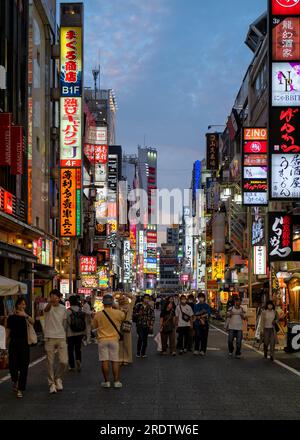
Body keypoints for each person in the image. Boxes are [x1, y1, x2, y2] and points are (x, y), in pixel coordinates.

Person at [92, 294, 125, 389]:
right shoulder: (118, 313)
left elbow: (94, 326)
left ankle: (107, 382)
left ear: (103, 303)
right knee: (115, 361)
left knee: (104, 361)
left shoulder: (98, 314)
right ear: (112, 303)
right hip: (114, 340)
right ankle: (116, 381)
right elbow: (124, 317)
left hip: (102, 340)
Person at [6, 297, 33, 399]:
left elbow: (33, 322)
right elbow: (8, 330)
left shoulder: (26, 316)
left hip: (25, 343)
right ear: (17, 305)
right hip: (13, 343)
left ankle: (20, 388)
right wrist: (4, 343)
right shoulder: (11, 317)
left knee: (24, 366)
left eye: (24, 304)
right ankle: (15, 380)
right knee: (13, 365)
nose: (23, 306)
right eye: (21, 304)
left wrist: (25, 315)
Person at [44, 289, 68, 394]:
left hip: (61, 336)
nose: (54, 298)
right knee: (50, 362)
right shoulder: (48, 306)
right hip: (49, 337)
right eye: (51, 296)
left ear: (59, 298)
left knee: (64, 361)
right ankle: (51, 383)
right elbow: (46, 310)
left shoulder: (63, 308)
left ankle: (58, 378)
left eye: (56, 297)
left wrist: (66, 335)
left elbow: (64, 323)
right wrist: (50, 302)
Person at [66, 296, 86, 372]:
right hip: (80, 333)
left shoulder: (68, 311)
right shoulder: (80, 310)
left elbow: (66, 323)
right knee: (78, 349)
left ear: (70, 302)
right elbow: (84, 322)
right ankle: (78, 360)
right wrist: (84, 333)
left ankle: (72, 366)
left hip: (70, 333)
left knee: (70, 350)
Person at [133, 294, 155, 358]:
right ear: (143, 298)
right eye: (145, 298)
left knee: (145, 339)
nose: (146, 299)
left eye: (148, 298)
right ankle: (138, 352)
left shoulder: (150, 307)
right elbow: (133, 314)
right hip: (139, 324)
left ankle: (143, 353)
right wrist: (138, 314)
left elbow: (152, 316)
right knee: (140, 338)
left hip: (147, 325)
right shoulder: (138, 305)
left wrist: (151, 324)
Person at [118, 293, 136, 365]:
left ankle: (124, 359)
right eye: (121, 299)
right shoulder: (118, 306)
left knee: (124, 342)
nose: (122, 299)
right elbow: (112, 302)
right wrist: (117, 294)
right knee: (121, 342)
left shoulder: (129, 306)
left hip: (124, 325)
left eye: (123, 298)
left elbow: (134, 298)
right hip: (121, 325)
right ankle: (123, 359)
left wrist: (125, 294)